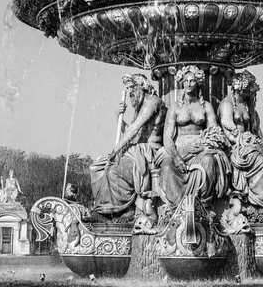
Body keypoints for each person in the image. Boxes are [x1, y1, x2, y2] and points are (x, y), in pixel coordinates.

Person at [90, 74, 166, 216]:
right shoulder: (139, 108)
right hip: (136, 149)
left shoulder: (153, 102)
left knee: (114, 171)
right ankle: (105, 208)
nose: (129, 91)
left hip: (148, 151)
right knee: (97, 168)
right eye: (127, 88)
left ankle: (124, 210)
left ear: (142, 87)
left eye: (132, 87)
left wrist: (116, 149)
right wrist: (119, 118)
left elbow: (135, 129)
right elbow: (132, 133)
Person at [157, 65, 230, 208]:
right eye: (186, 81)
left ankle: (203, 205)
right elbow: (167, 137)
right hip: (179, 150)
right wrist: (177, 157)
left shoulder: (206, 106)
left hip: (201, 149)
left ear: (198, 83)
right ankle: (178, 208)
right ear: (181, 83)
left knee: (209, 160)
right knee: (166, 167)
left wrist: (202, 146)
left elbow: (215, 133)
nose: (188, 84)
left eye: (192, 81)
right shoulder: (175, 107)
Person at [217, 71, 263, 213]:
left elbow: (260, 137)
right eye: (250, 89)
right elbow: (228, 129)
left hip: (252, 146)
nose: (252, 93)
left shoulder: (249, 109)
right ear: (240, 87)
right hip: (236, 147)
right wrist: (244, 141)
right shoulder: (227, 104)